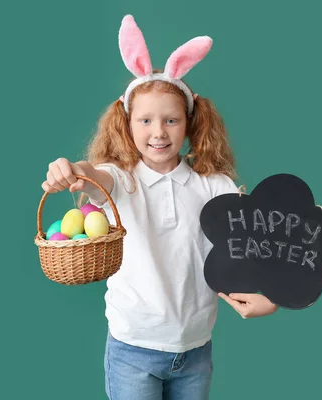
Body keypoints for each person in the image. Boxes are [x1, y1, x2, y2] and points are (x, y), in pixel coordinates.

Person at [41, 15, 278, 400]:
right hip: (132, 350)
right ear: (127, 122)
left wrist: (275, 296)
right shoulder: (121, 178)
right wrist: (71, 172)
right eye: (146, 120)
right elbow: (93, 176)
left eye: (171, 120)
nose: (158, 132)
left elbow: (262, 241)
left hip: (196, 350)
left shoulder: (214, 186)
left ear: (189, 123)